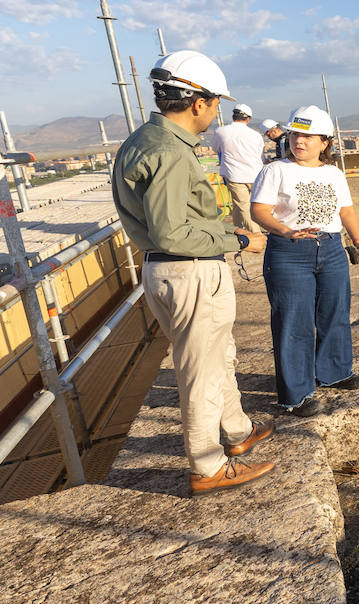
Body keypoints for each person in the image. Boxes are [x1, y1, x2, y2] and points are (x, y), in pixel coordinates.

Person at [111, 50, 275, 496]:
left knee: (217, 356)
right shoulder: (171, 153)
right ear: (198, 102)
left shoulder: (142, 140)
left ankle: (237, 432)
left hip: (168, 271)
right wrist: (237, 240)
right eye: (216, 102)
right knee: (201, 369)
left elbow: (170, 220)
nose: (217, 110)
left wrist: (223, 229)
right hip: (189, 273)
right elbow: (172, 231)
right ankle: (207, 465)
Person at [251, 105, 359, 416]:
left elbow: (346, 211)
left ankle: (334, 372)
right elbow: (259, 211)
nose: (300, 141)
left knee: (335, 312)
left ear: (325, 142)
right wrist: (286, 231)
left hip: (331, 248)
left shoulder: (333, 173)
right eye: (296, 135)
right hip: (289, 252)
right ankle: (296, 395)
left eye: (308, 136)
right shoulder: (275, 171)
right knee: (293, 323)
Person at [208, 103, 266, 230]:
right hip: (255, 175)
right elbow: (261, 156)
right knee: (247, 205)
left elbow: (215, 148)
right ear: (248, 118)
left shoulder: (220, 131)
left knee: (243, 206)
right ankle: (239, 229)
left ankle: (255, 235)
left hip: (235, 175)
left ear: (233, 116)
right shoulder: (255, 135)